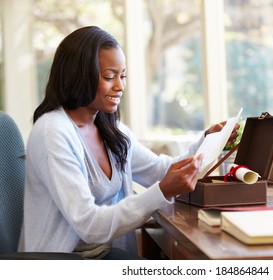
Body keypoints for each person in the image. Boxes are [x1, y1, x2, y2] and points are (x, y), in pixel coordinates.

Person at [18, 26, 239, 259]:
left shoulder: (111, 129)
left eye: (122, 76)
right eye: (109, 76)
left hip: (103, 254)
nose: (120, 86)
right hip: (62, 264)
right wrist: (162, 191)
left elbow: (160, 171)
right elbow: (89, 225)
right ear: (78, 75)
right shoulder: (52, 132)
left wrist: (208, 141)